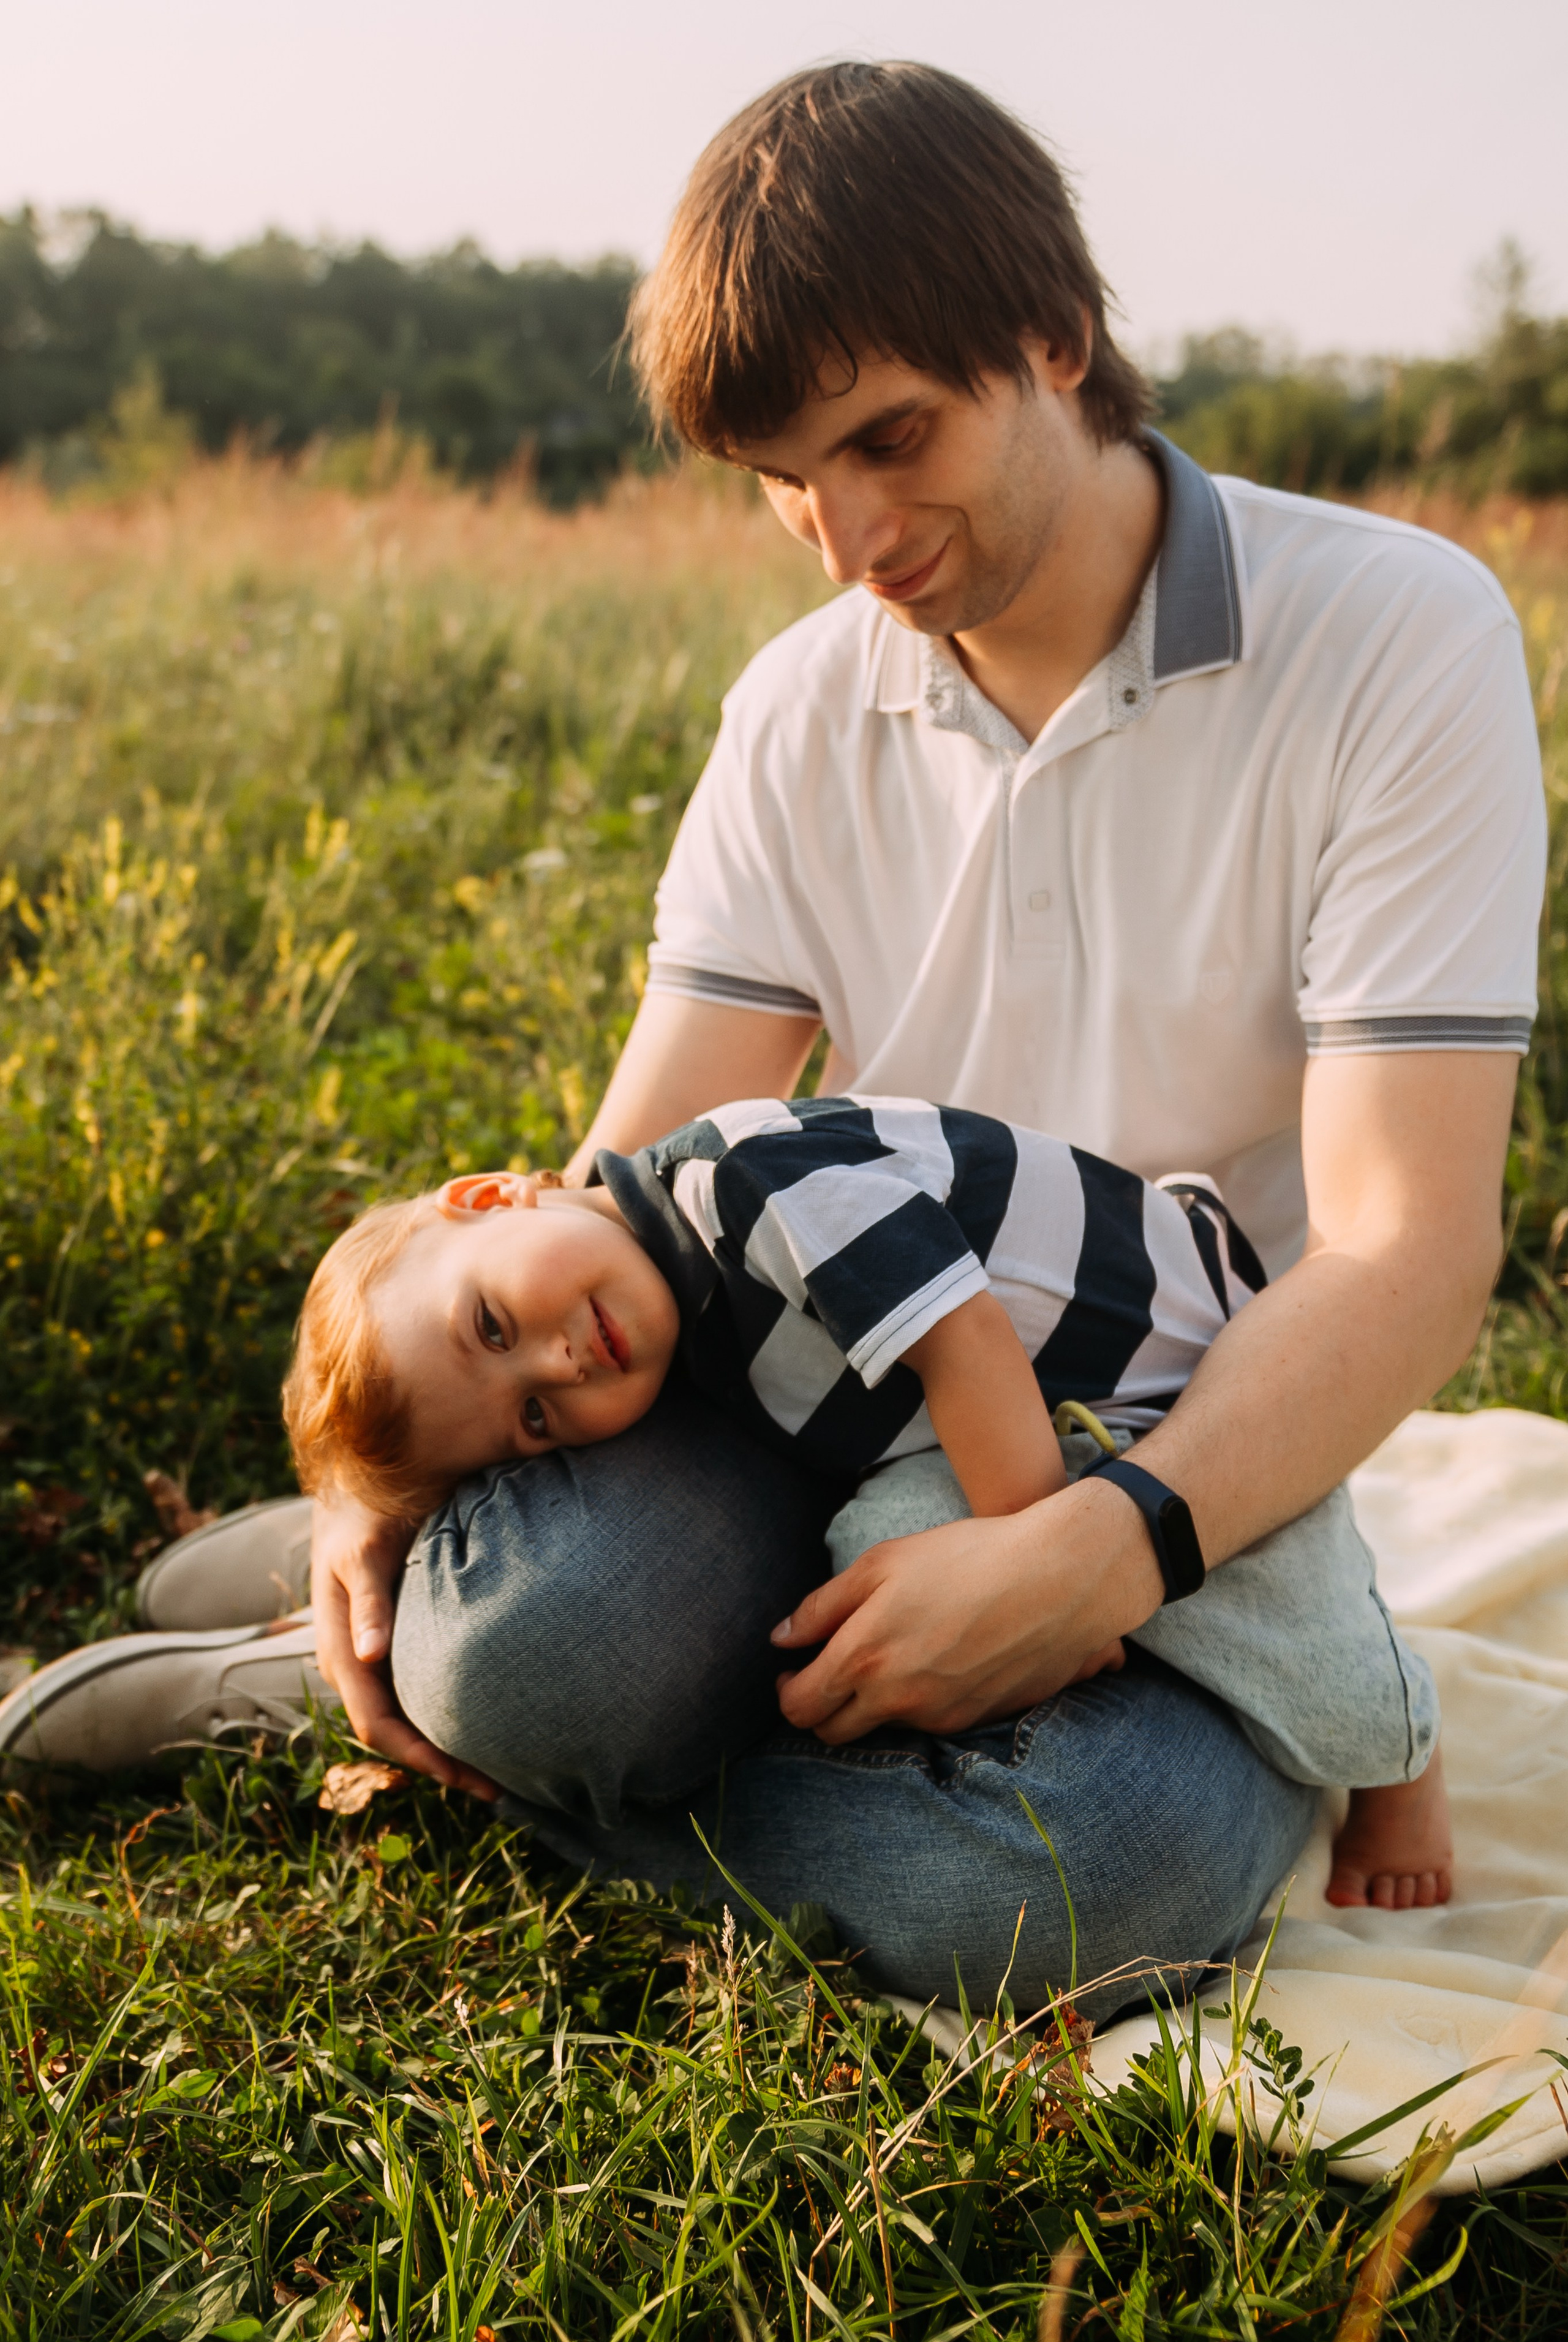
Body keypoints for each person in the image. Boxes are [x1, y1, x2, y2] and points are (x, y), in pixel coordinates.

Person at [2, 64, 1540, 2015]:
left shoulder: (1396, 636)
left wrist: (1098, 1554)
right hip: (822, 1408)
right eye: (784, 477)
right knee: (544, 1645)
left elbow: (1412, 1244)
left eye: (891, 439)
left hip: (1190, 1438)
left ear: (1055, 337)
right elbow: (632, 1178)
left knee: (1115, 1869)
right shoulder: (802, 706)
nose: (848, 538)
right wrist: (386, 1488)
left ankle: (437, 1731)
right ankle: (429, 1662)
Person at [278, 1092, 1446, 1899]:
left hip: (1162, 1378)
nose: (559, 1365)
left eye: (492, 1324)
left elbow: (969, 1345)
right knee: (880, 1556)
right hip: (992, 1433)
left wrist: (1042, 1584)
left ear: (492, 1195)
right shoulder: (658, 1302)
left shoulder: (748, 1181)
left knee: (1284, 1606)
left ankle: (1399, 1750)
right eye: (534, 1421)